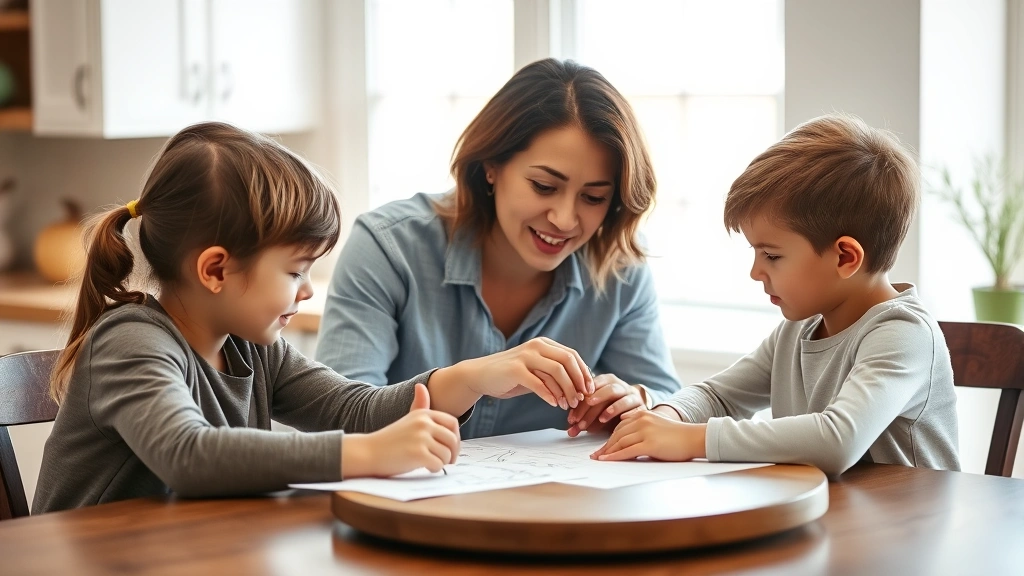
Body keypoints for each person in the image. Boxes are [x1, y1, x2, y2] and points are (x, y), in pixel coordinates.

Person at [33, 122, 586, 514]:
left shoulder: (250, 346)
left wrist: (476, 376)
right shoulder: (130, 343)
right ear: (217, 270)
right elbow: (189, 454)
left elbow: (349, 407)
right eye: (296, 270)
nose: (305, 292)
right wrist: (367, 455)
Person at [315, 58, 681, 439]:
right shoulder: (389, 247)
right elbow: (335, 419)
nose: (565, 219)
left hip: (552, 498)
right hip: (403, 497)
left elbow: (669, 399)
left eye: (593, 197)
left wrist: (637, 401)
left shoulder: (619, 267)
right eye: (544, 186)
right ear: (491, 165)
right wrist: (468, 381)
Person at [593, 114, 960, 477]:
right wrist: (665, 417)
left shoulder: (903, 333)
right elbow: (718, 397)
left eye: (772, 256)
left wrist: (693, 439)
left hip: (911, 528)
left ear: (845, 257)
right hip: (835, 519)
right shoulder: (798, 331)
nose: (755, 272)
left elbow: (837, 440)